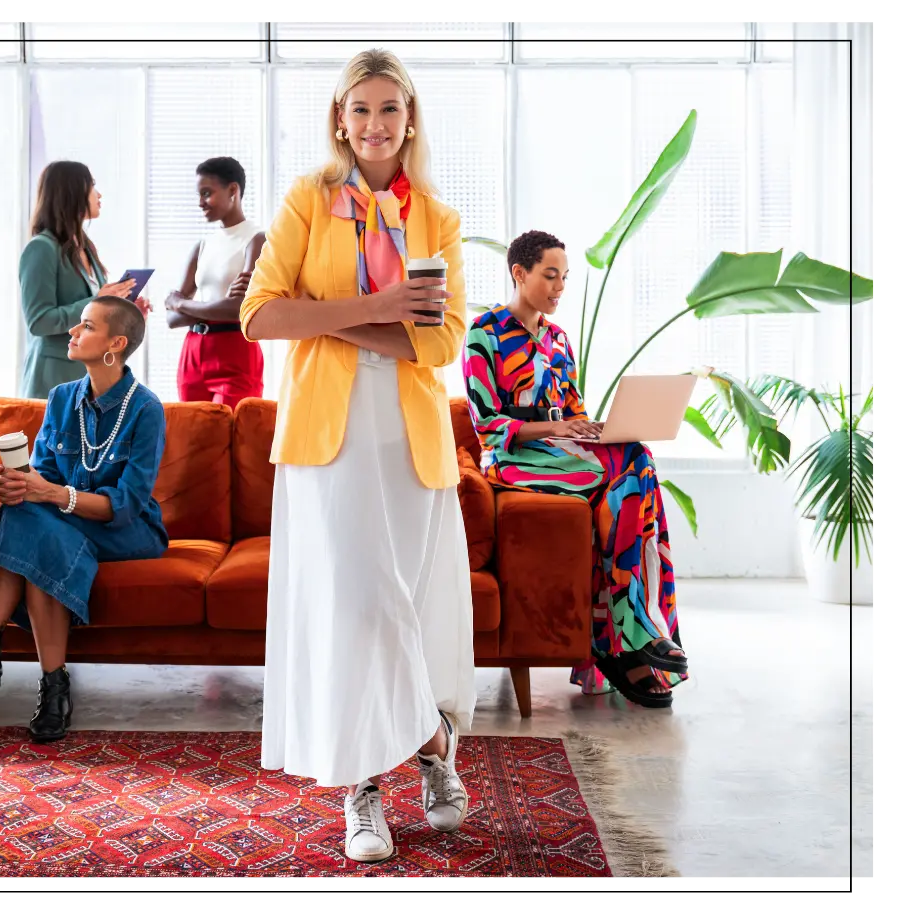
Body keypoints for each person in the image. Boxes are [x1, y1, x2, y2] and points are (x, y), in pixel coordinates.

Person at [240, 50, 475, 863]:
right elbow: (262, 316)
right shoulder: (308, 199)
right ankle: (380, 778)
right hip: (326, 436)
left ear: (410, 119)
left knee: (404, 602)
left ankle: (412, 755)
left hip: (408, 434)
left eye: (389, 109)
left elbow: (440, 341)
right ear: (339, 119)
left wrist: (326, 314)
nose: (374, 125)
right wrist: (377, 309)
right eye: (360, 110)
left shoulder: (436, 218)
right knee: (356, 605)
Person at [0, 297, 167, 743]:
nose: (72, 332)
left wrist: (49, 493)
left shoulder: (145, 409)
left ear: (116, 343)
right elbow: (45, 476)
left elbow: (127, 505)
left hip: (126, 531)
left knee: (33, 522)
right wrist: (20, 485)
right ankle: (51, 687)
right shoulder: (61, 398)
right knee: (26, 514)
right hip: (62, 522)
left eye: (86, 326)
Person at [463, 230, 688, 710]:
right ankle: (635, 638)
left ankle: (622, 643)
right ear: (518, 273)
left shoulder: (559, 339)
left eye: (564, 277)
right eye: (550, 275)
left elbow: (573, 411)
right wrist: (552, 427)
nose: (559, 286)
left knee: (636, 460)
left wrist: (591, 428)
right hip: (511, 459)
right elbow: (486, 422)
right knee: (631, 468)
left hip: (563, 452)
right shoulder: (484, 333)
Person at [20, 160, 152, 399]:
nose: (99, 194)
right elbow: (38, 321)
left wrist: (127, 312)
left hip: (91, 380)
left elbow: (96, 318)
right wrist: (97, 301)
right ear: (73, 192)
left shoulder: (85, 248)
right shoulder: (41, 249)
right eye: (92, 186)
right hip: (54, 380)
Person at [164, 157, 266, 409]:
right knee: (194, 436)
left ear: (233, 190)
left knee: (234, 436)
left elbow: (240, 309)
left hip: (235, 351)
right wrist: (218, 306)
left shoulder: (257, 239)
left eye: (207, 194)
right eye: (199, 195)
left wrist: (181, 303)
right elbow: (171, 319)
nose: (200, 203)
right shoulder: (202, 246)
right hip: (192, 354)